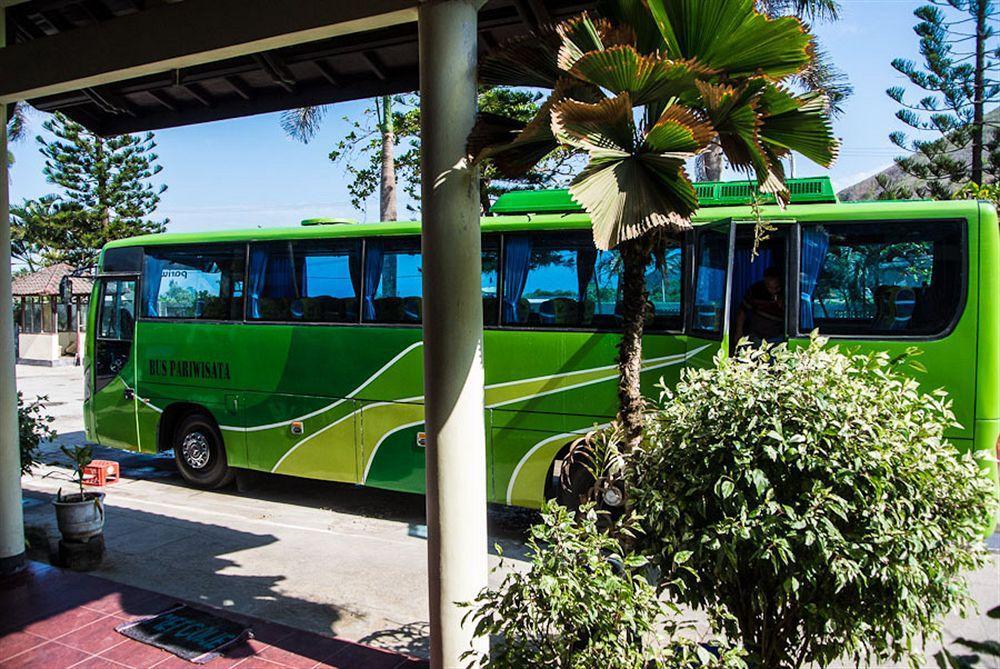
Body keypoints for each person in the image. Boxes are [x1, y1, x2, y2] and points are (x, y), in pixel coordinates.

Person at [734, 266, 785, 347]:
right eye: (769, 287)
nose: (772, 291)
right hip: (756, 336)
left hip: (777, 339)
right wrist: (739, 332)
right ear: (765, 281)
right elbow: (742, 311)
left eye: (776, 287)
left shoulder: (786, 293)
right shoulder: (756, 290)